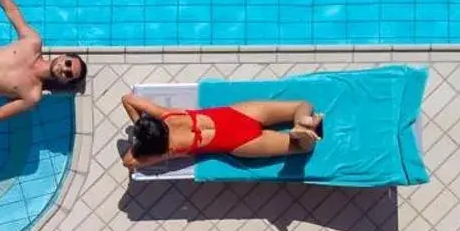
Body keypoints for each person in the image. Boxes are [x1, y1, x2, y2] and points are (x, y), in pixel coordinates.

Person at [120, 93, 322, 171]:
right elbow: (127, 99)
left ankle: (300, 135)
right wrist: (140, 122)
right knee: (304, 104)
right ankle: (302, 121)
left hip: (237, 142)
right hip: (239, 114)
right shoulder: (166, 115)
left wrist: (144, 145)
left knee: (300, 148)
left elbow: (128, 162)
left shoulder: (168, 150)